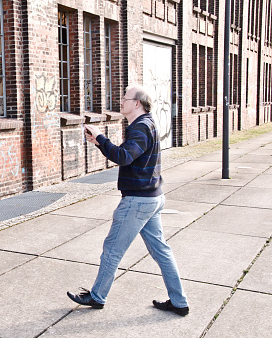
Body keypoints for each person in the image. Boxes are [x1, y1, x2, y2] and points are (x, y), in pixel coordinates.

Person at [67, 84, 189, 316]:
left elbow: (123, 156)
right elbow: (128, 155)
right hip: (151, 197)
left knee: (112, 250)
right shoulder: (146, 124)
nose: (121, 101)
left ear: (137, 103)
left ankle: (97, 296)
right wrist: (101, 143)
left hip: (138, 202)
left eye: (125, 98)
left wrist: (101, 137)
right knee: (161, 251)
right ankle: (179, 302)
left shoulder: (141, 127)